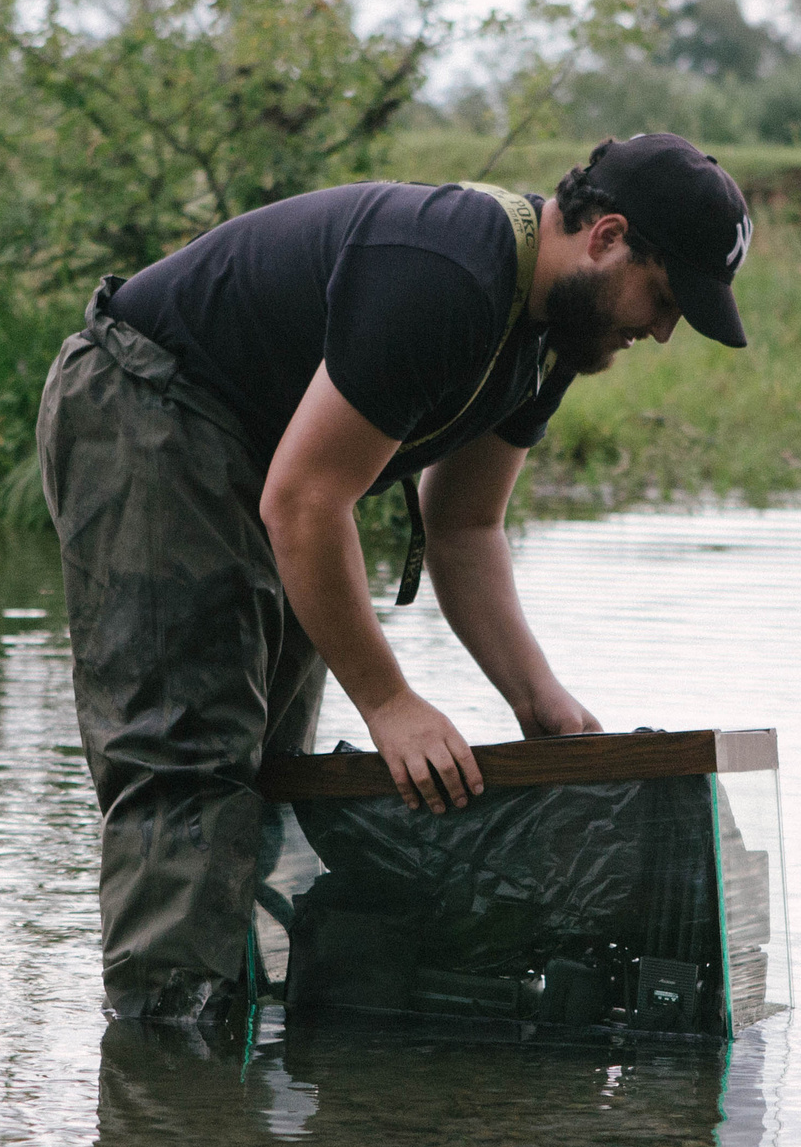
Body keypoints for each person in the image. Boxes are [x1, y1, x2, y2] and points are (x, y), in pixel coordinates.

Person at [37, 133, 753, 1022]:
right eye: (666, 298)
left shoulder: (547, 340)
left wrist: (537, 698)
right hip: (148, 402)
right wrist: (388, 702)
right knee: (192, 763)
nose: (662, 330)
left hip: (265, 459)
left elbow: (464, 527)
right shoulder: (449, 274)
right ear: (607, 238)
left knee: (269, 770)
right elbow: (305, 502)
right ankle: (170, 1063)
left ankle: (230, 1044)